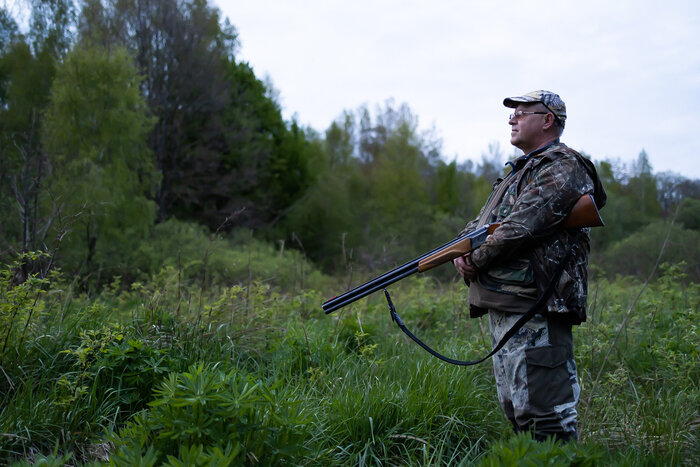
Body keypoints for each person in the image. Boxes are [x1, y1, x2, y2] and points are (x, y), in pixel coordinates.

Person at [453, 90, 606, 442]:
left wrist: (473, 260)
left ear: (548, 120)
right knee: (519, 413)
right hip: (508, 305)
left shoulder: (563, 165)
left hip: (536, 307)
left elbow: (521, 226)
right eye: (512, 113)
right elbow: (482, 224)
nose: (512, 118)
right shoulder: (519, 171)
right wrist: (459, 249)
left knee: (548, 419)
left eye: (522, 112)